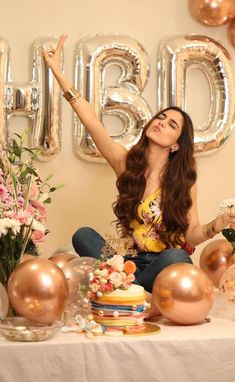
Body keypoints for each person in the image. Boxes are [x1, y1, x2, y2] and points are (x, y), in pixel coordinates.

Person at [43, 35, 235, 314]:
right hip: (124, 264)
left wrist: (217, 224)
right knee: (83, 235)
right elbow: (91, 121)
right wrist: (58, 72)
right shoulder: (125, 163)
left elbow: (191, 235)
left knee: (177, 254)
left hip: (161, 266)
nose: (161, 123)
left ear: (175, 144)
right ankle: (129, 291)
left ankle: (126, 294)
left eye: (171, 125)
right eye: (160, 117)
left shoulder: (184, 182)